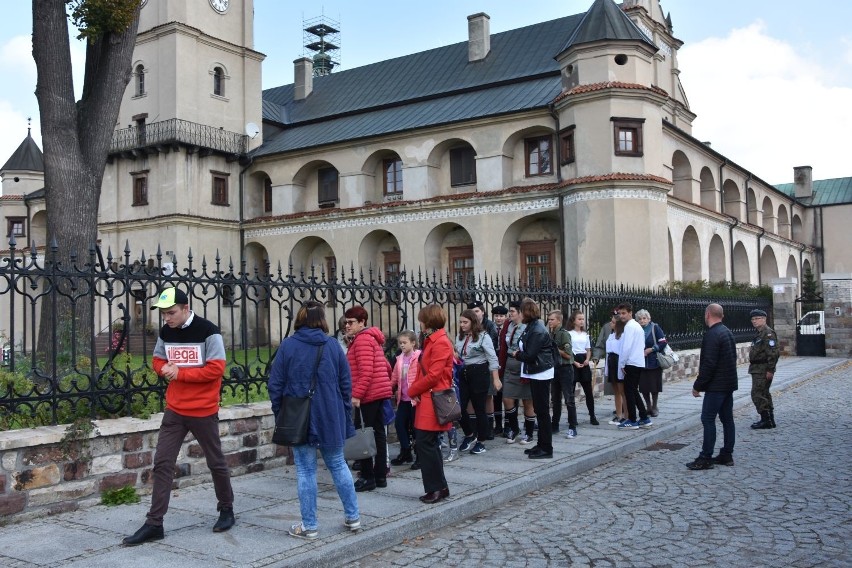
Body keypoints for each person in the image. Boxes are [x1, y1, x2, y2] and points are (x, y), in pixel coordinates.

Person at [122, 287, 234, 546]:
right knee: (162, 463)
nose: (167, 319)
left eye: (171, 313)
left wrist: (180, 373)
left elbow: (216, 369)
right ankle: (154, 523)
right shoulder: (166, 332)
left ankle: (226, 509)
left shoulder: (209, 331)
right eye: (163, 314)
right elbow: (158, 360)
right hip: (175, 409)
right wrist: (165, 371)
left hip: (203, 410)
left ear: (186, 308)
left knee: (215, 462)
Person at [267, 301, 361, 539]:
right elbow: (345, 383)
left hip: (300, 416)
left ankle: (310, 526)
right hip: (330, 413)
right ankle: (353, 517)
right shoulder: (332, 345)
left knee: (306, 470)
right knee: (338, 464)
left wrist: (282, 414)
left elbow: (275, 385)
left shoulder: (288, 346)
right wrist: (343, 411)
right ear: (322, 320)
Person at [408, 304, 454, 504]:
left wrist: (412, 390)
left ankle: (436, 488)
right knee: (428, 444)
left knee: (426, 444)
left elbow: (434, 375)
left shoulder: (440, 341)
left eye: (421, 319)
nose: (420, 323)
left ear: (428, 321)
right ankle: (440, 487)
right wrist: (416, 391)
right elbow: (422, 369)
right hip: (426, 397)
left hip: (433, 397)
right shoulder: (431, 340)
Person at [344, 306, 393, 492]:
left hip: (369, 394)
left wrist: (357, 394)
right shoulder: (371, 339)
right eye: (346, 322)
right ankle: (380, 475)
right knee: (378, 433)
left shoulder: (363, 340)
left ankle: (367, 477)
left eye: (351, 322)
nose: (347, 325)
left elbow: (366, 372)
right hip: (379, 392)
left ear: (362, 322)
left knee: (362, 434)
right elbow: (386, 367)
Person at [688, 303, 738, 470]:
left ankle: (705, 457)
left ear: (707, 315)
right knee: (727, 419)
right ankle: (727, 454)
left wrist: (698, 386)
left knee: (708, 419)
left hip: (716, 386)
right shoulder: (727, 332)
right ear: (721, 315)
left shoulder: (712, 334)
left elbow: (709, 364)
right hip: (728, 383)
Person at [512, 298, 555, 459]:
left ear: (526, 312)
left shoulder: (537, 329)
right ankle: (541, 444)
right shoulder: (531, 326)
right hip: (535, 372)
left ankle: (547, 448)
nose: (520, 314)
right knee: (539, 410)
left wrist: (517, 354)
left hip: (541, 372)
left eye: (521, 311)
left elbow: (530, 355)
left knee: (542, 411)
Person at [455, 309, 501, 455]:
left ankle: (481, 440)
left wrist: (496, 378)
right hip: (464, 372)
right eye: (461, 322)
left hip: (479, 372)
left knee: (479, 407)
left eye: (465, 322)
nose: (462, 325)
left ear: (473, 322)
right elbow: (459, 354)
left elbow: (492, 358)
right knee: (459, 408)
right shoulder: (460, 337)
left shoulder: (483, 337)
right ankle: (469, 434)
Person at [500, 301, 534, 444]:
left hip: (523, 365)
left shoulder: (528, 327)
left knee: (527, 401)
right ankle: (514, 428)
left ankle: (529, 432)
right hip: (510, 364)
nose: (510, 314)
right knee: (507, 398)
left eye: (513, 311)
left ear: (520, 313)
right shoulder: (509, 325)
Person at [467, 300, 500, 439]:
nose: (475, 314)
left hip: (486, 366)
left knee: (488, 396)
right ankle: (474, 427)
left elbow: (491, 347)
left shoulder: (489, 326)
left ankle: (489, 426)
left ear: (482, 312)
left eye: (477, 311)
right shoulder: (467, 327)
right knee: (472, 398)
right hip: (471, 368)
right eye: (472, 312)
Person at [616, 303, 652, 430]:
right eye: (619, 313)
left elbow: (626, 347)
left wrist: (622, 363)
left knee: (629, 391)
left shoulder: (630, 327)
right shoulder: (636, 326)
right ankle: (644, 417)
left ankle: (632, 419)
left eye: (624, 313)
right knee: (633, 390)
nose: (621, 316)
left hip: (631, 362)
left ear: (630, 313)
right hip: (637, 362)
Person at [390, 330, 421, 467]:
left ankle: (420, 455)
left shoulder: (418, 357)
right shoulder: (400, 359)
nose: (402, 345)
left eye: (404, 343)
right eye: (400, 343)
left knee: (416, 428)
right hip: (403, 398)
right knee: (399, 424)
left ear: (413, 343)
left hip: (416, 399)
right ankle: (405, 450)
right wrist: (389, 388)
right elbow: (395, 378)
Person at [748, 309, 780, 430]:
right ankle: (769, 419)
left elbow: (773, 353)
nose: (754, 321)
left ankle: (766, 419)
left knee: (757, 393)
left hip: (762, 369)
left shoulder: (768, 333)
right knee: (764, 393)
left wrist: (770, 370)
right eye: (752, 319)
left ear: (764, 319)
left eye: (757, 319)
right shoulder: (759, 333)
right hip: (757, 368)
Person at [547, 310, 575, 437]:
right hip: (555, 369)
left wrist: (555, 349)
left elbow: (568, 354)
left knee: (569, 398)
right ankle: (554, 424)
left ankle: (572, 426)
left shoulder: (563, 334)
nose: (549, 321)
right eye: (549, 319)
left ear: (559, 320)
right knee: (555, 399)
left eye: (552, 319)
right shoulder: (550, 334)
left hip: (565, 368)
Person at [568, 310, 598, 426]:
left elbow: (588, 350)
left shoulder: (586, 335)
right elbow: (568, 350)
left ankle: (592, 415)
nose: (582, 321)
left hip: (583, 360)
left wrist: (587, 359)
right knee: (571, 392)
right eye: (579, 319)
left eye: (583, 319)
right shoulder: (569, 334)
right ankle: (573, 418)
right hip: (573, 360)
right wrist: (574, 362)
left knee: (588, 391)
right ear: (574, 321)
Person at [636, 309, 667, 417]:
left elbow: (663, 342)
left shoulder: (655, 328)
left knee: (654, 386)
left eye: (644, 318)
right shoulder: (637, 329)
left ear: (649, 319)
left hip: (654, 361)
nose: (642, 320)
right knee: (644, 386)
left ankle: (654, 406)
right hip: (641, 362)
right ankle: (648, 406)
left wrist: (652, 349)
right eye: (640, 319)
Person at [604, 313, 627, 425]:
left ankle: (625, 415)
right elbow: (608, 352)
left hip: (619, 362)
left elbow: (623, 351)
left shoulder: (623, 336)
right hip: (611, 362)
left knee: (622, 391)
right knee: (616, 391)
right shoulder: (611, 335)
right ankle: (618, 414)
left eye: (613, 322)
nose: (610, 323)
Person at [490, 305, 509, 434]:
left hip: (506, 364)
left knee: (507, 396)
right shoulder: (491, 328)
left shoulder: (509, 329)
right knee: (496, 396)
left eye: (501, 316)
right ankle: (498, 424)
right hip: (494, 365)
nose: (499, 318)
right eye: (496, 316)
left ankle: (508, 424)